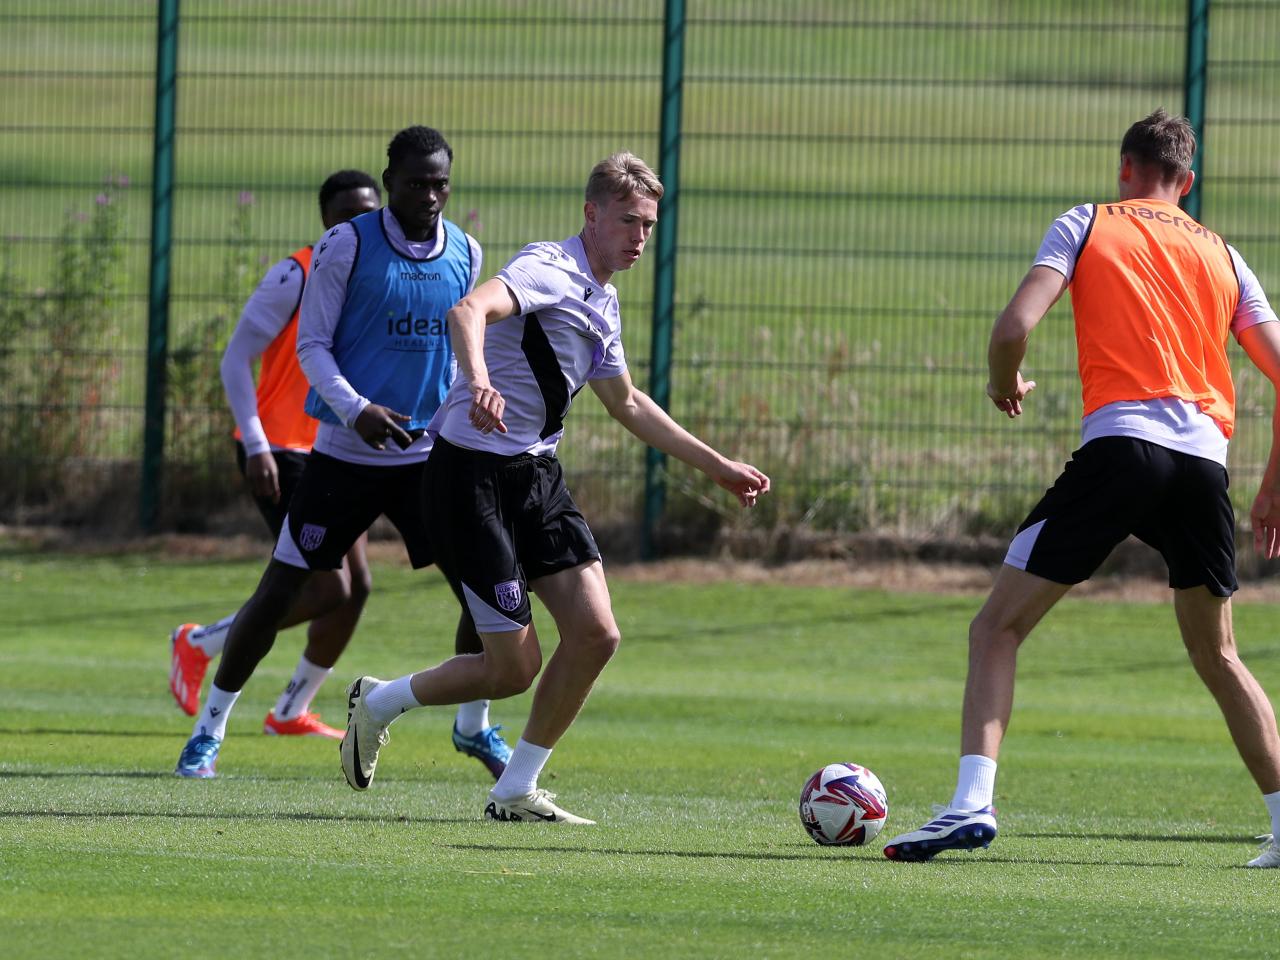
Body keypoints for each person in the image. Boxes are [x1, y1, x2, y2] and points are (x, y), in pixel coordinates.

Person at [881, 109, 1280, 869]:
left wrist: (1005, 383)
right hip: (1204, 466)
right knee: (1219, 652)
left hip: (1124, 450)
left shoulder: (1088, 221)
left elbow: (1011, 330)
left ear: (1124, 169)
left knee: (995, 629)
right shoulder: (1226, 257)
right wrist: (1271, 490)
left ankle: (971, 803)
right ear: (1186, 183)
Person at [338, 151, 771, 824]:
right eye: (629, 220)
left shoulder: (603, 299)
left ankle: (514, 789)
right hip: (468, 475)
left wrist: (716, 465)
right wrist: (478, 380)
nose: (640, 238)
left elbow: (626, 402)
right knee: (511, 669)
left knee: (597, 635)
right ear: (591, 214)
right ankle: (380, 702)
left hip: (536, 476)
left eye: (650, 225)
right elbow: (467, 311)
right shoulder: (549, 268)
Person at [175, 126, 512, 781]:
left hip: (425, 460)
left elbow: (456, 352)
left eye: (441, 182)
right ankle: (208, 731)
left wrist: (466, 404)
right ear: (390, 181)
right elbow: (313, 348)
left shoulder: (466, 253)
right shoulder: (344, 246)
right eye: (417, 182)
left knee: (485, 592)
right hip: (343, 455)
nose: (431, 194)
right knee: (278, 594)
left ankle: (473, 728)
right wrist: (356, 410)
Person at [168, 170, 380, 741]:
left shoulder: (381, 275)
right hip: (282, 451)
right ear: (325, 221)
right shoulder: (296, 272)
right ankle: (200, 643)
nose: (355, 224)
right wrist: (256, 442)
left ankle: (290, 709)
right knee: (325, 587)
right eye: (344, 215)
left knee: (356, 588)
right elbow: (236, 360)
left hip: (339, 450)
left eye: (366, 214)